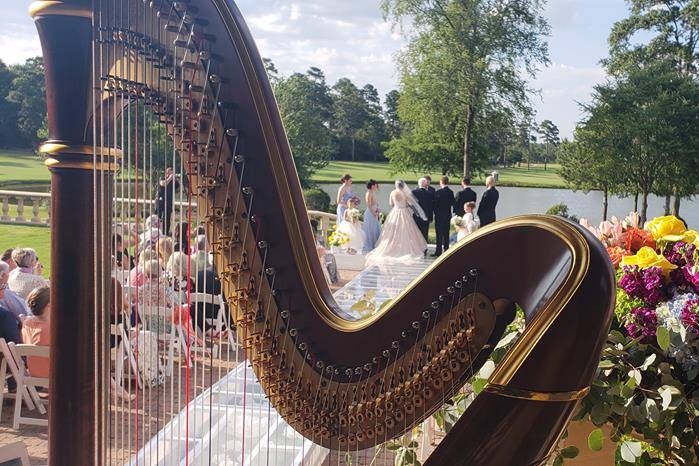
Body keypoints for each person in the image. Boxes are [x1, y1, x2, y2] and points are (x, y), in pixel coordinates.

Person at [365, 180, 428, 265]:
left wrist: (397, 205)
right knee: (408, 230)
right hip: (404, 212)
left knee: (392, 230)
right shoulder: (405, 193)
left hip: (395, 211)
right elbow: (408, 204)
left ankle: (392, 247)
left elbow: (391, 204)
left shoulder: (392, 192)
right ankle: (406, 248)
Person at [21, 286, 51, 378]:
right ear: (49, 305)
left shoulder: (26, 324)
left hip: (33, 374)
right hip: (54, 376)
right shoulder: (51, 329)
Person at [433, 176, 454, 257]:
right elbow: (452, 203)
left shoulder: (438, 192)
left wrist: (436, 213)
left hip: (439, 215)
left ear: (441, 182)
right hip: (447, 215)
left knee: (439, 234)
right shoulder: (451, 192)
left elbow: (435, 205)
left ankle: (438, 251)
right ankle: (446, 250)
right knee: (446, 233)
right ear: (447, 182)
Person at [155, 167, 179, 235]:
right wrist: (170, 178)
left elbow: (178, 187)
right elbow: (163, 184)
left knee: (167, 219)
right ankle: (157, 233)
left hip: (168, 202)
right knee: (158, 218)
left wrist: (175, 178)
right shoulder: (162, 178)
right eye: (167, 173)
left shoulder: (174, 182)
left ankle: (165, 233)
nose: (168, 174)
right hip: (160, 201)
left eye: (170, 173)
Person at [412, 178, 435, 244]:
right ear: (426, 185)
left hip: (416, 216)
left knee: (416, 233)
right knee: (424, 233)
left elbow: (411, 205)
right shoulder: (430, 194)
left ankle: (416, 248)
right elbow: (431, 207)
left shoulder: (414, 192)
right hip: (426, 216)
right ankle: (424, 249)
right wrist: (431, 217)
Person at [362, 180, 381, 251]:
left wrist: (378, 209)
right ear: (372, 186)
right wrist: (373, 213)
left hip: (375, 211)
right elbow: (368, 205)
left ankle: (375, 244)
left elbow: (375, 202)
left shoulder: (373, 192)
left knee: (375, 228)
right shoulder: (369, 193)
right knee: (370, 229)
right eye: (376, 185)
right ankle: (370, 244)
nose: (377, 186)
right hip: (370, 213)